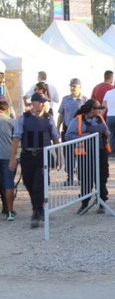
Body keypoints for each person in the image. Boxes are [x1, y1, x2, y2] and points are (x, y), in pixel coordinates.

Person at [9, 92, 61, 227]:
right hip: (27, 155)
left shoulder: (48, 118)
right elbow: (16, 137)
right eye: (41, 102)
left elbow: (55, 138)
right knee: (28, 183)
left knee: (39, 183)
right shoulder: (24, 118)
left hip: (42, 156)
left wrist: (59, 157)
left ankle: (37, 211)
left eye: (44, 102)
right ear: (33, 102)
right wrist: (13, 158)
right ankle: (38, 206)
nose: (43, 104)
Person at [66, 99, 110, 215]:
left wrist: (107, 133)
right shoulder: (78, 120)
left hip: (101, 152)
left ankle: (102, 203)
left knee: (102, 178)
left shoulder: (100, 118)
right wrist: (81, 136)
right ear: (92, 110)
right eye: (98, 109)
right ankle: (84, 203)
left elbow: (107, 131)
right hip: (85, 154)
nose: (100, 111)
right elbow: (68, 136)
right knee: (86, 179)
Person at [58, 78, 88, 185]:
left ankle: (80, 177)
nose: (72, 88)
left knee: (80, 155)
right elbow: (61, 114)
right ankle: (69, 177)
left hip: (79, 131)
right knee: (68, 154)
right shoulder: (65, 99)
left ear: (80, 87)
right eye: (71, 86)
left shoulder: (84, 100)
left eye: (74, 86)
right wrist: (57, 128)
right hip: (67, 130)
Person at [0, 100, 17, 221]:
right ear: (6, 110)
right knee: (8, 185)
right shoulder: (11, 121)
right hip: (7, 155)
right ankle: (10, 212)